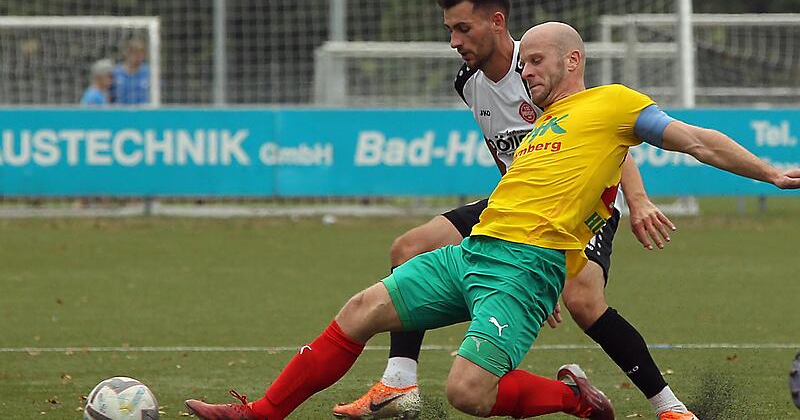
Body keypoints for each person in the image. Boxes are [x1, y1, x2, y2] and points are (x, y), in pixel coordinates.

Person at [183, 21, 800, 420]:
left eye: (535, 62)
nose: (524, 73)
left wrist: (768, 173)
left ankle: (575, 400)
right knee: (358, 310)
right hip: (475, 253)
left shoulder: (613, 103)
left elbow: (695, 140)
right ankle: (260, 414)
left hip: (523, 269)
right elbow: (564, 198)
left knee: (466, 394)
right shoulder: (542, 124)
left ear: (573, 60)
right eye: (523, 64)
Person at [334, 0, 693, 420]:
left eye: (462, 29)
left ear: (496, 23)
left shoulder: (539, 66)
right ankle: (398, 384)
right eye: (450, 30)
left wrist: (638, 200)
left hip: (578, 204)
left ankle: (667, 405)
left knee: (583, 302)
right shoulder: (468, 82)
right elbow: (504, 154)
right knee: (409, 247)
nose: (453, 41)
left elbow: (605, 134)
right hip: (515, 207)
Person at [112, 38, 150, 104]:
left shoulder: (149, 72)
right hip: (120, 112)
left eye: (142, 53)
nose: (140, 57)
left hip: (144, 112)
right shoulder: (116, 72)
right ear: (128, 53)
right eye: (136, 53)